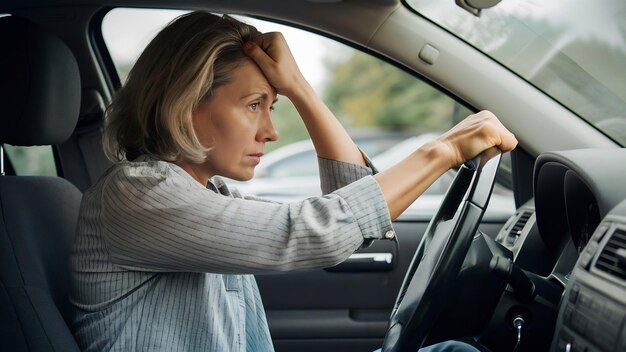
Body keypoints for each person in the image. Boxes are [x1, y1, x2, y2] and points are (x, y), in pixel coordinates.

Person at [69, 11, 517, 352]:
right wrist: (444, 151)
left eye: (272, 107)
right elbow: (311, 232)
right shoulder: (137, 195)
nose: (270, 131)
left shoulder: (207, 194)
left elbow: (359, 226)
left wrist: (299, 86)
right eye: (252, 105)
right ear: (185, 103)